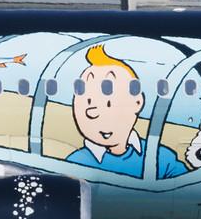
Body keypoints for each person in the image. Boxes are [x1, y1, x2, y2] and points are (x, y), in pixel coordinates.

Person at [63, 44, 188, 179]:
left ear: (138, 102)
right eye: (88, 102)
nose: (93, 113)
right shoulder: (75, 162)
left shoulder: (160, 157)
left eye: (108, 103)